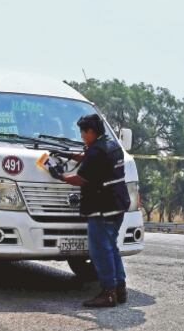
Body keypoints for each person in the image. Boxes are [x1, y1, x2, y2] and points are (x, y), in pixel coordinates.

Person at [49, 114, 130, 308]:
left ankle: (108, 293)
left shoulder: (96, 152)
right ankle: (120, 289)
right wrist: (68, 155)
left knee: (99, 250)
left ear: (91, 131)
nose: (82, 136)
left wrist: (60, 175)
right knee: (111, 247)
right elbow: (91, 157)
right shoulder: (112, 145)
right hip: (118, 204)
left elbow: (81, 179)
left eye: (82, 133)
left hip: (101, 207)